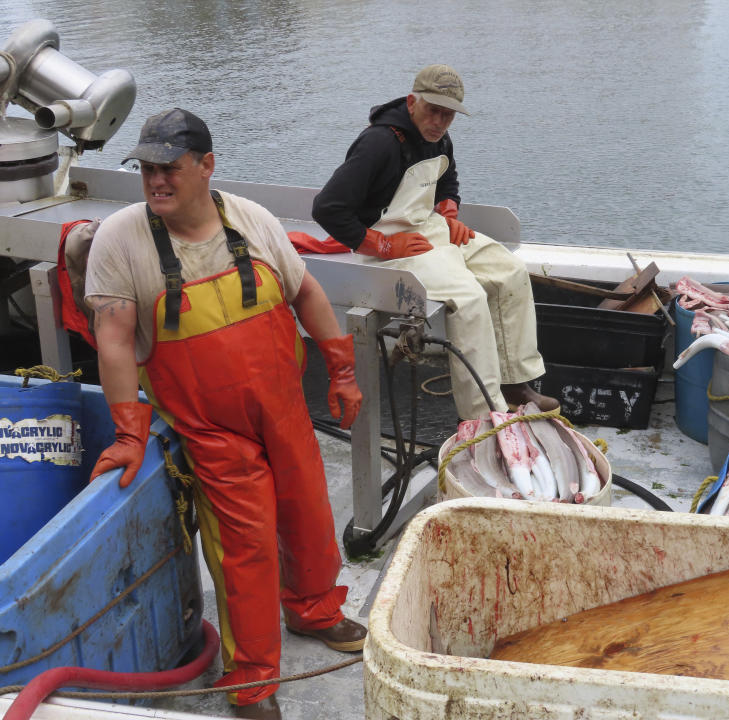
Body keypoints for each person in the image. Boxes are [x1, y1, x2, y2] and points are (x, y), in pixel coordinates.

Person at [84, 108, 366, 718]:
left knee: (310, 519)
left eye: (170, 169)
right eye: (148, 170)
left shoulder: (250, 218)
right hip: (211, 432)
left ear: (206, 166)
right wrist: (129, 430)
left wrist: (341, 369)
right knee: (247, 550)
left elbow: (308, 292)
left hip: (285, 409)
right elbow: (114, 339)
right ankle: (253, 682)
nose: (157, 182)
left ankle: (315, 611)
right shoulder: (121, 239)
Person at [312, 64, 559, 420]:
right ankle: (484, 416)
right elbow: (328, 208)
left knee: (510, 272)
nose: (440, 122)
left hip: (428, 227)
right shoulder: (379, 143)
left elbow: (447, 180)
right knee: (469, 297)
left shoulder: (438, 138)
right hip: (385, 242)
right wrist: (382, 246)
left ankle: (514, 384)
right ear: (412, 102)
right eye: (433, 111)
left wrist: (449, 213)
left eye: (448, 115)